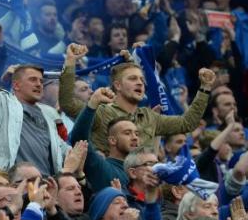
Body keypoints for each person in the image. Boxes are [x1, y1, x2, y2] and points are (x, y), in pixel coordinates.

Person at [0, 10, 70, 173]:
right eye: (33, 80)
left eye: (41, 81)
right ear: (16, 85)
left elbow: (61, 150)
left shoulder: (49, 114)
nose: (39, 84)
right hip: (10, 184)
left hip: (46, 187)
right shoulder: (2, 103)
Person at [61, 43, 214, 153]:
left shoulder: (151, 117)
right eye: (133, 79)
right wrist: (70, 62)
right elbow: (68, 104)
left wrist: (204, 88)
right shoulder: (101, 113)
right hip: (115, 189)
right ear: (118, 85)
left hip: (146, 189)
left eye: (141, 79)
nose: (140, 83)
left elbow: (187, 123)